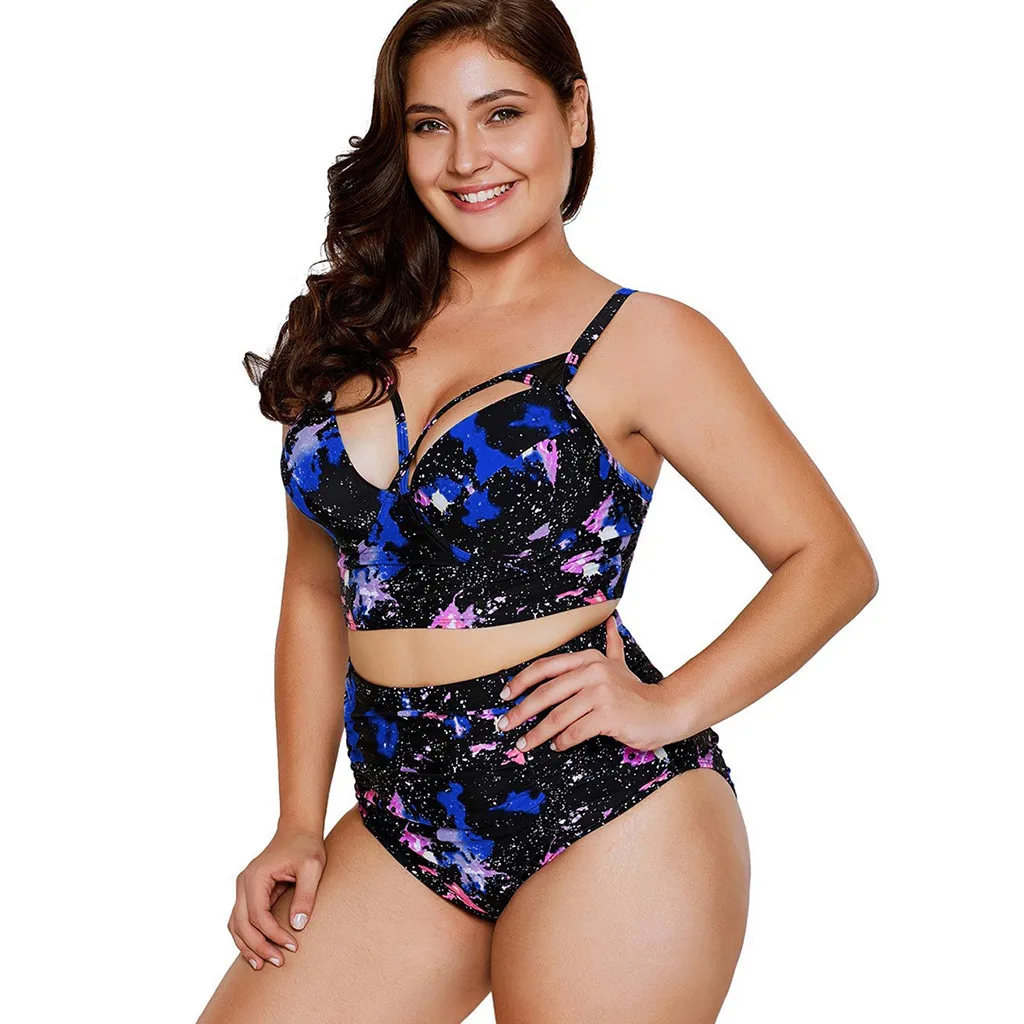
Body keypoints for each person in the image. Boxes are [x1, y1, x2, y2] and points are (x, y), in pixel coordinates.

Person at [199, 2, 878, 1021]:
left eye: (503, 113)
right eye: (429, 124)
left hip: (608, 806)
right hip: (402, 811)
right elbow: (313, 591)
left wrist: (668, 705)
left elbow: (829, 560)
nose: (466, 158)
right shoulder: (353, 333)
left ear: (576, 113)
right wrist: (299, 819)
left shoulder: (644, 339)